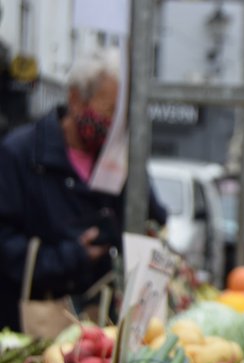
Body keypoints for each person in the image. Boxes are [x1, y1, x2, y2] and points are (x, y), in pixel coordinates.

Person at [0, 49, 167, 331]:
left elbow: (153, 221)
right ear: (76, 99)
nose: (116, 125)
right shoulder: (20, 154)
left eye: (123, 115)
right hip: (34, 322)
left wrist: (132, 170)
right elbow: (6, 246)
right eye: (109, 111)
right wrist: (72, 256)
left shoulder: (119, 159)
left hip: (101, 322)